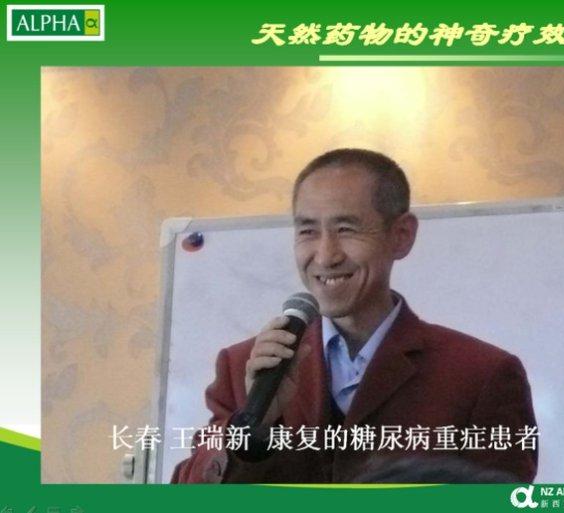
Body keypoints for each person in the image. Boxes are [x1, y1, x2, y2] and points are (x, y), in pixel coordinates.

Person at [171, 148, 538, 484]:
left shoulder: (482, 374)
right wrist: (253, 429)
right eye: (308, 231)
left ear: (402, 235)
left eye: (346, 229)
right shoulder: (246, 365)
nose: (325, 255)